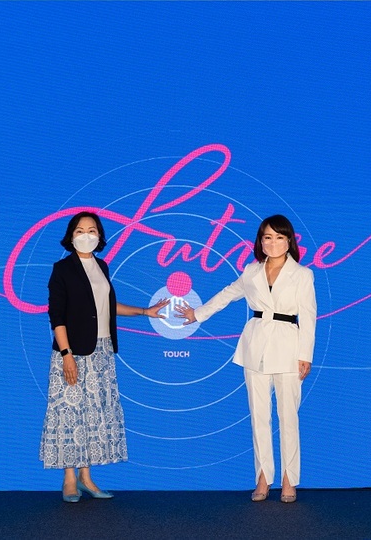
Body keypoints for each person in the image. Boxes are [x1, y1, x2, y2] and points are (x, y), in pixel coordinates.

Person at [175, 214, 316, 503]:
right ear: (260, 241)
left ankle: (290, 479)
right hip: (255, 348)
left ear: (289, 240)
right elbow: (228, 294)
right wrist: (197, 314)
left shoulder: (302, 274)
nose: (273, 243)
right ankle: (264, 477)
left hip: (289, 348)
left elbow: (309, 316)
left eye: (279, 237)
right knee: (259, 418)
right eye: (267, 237)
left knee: (288, 417)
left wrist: (305, 355)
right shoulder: (251, 271)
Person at [40, 211, 168, 503]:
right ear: (71, 236)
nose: (87, 235)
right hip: (72, 352)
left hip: (102, 351)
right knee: (69, 414)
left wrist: (145, 312)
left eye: (92, 230)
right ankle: (69, 479)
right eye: (80, 230)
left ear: (99, 236)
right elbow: (56, 315)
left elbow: (106, 306)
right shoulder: (62, 269)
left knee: (94, 415)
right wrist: (66, 354)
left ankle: (87, 477)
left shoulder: (102, 266)